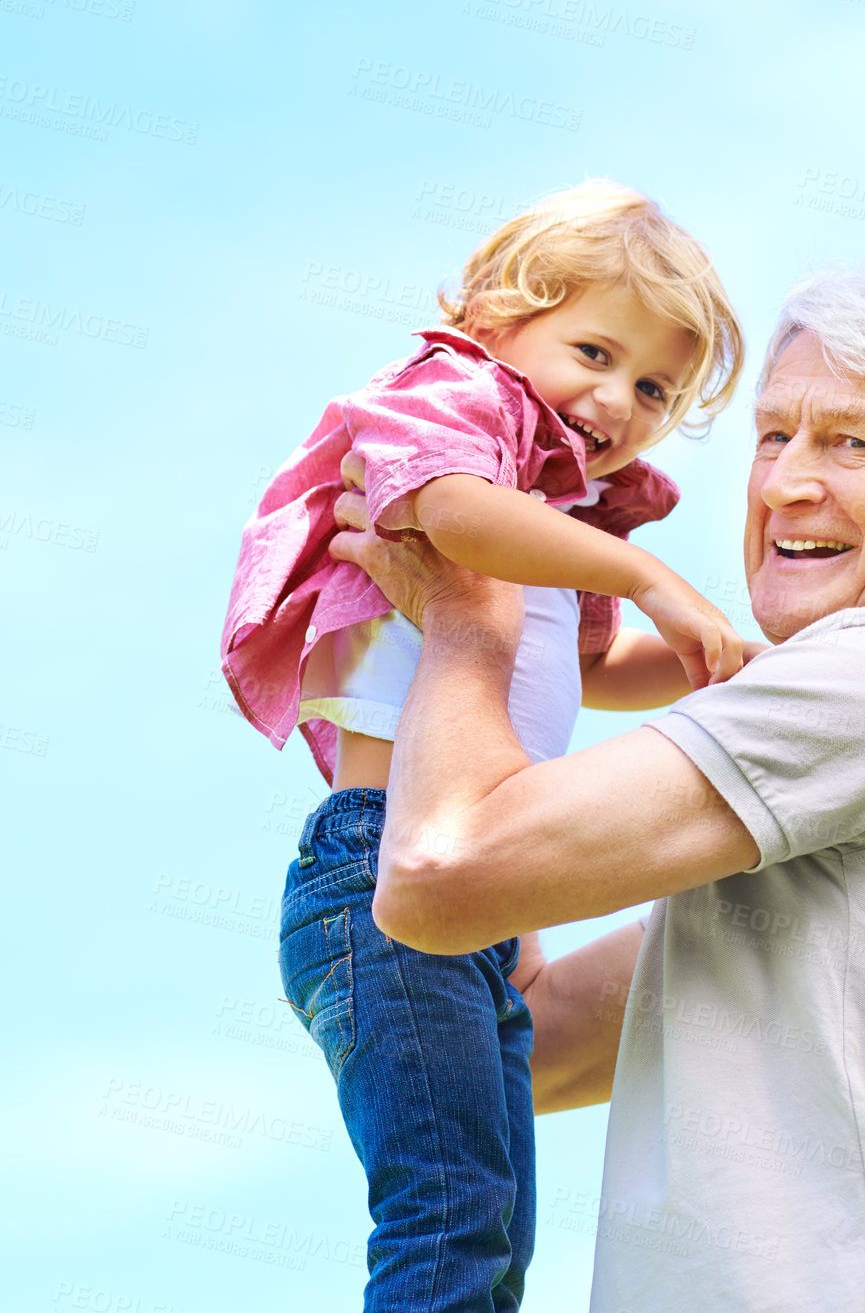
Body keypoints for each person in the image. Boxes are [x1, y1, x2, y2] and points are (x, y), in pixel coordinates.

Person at [330, 254, 865, 1313]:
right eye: (774, 434)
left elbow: (437, 875)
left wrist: (469, 618)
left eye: (852, 442)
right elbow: (527, 1041)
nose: (783, 483)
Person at [219, 180, 748, 1311]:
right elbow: (447, 511)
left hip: (479, 909)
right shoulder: (451, 403)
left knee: (495, 1228)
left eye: (653, 386)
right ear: (495, 319)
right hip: (377, 876)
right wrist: (655, 576)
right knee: (448, 1211)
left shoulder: (561, 511)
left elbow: (594, 671)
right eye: (593, 351)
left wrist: (751, 668)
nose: (617, 399)